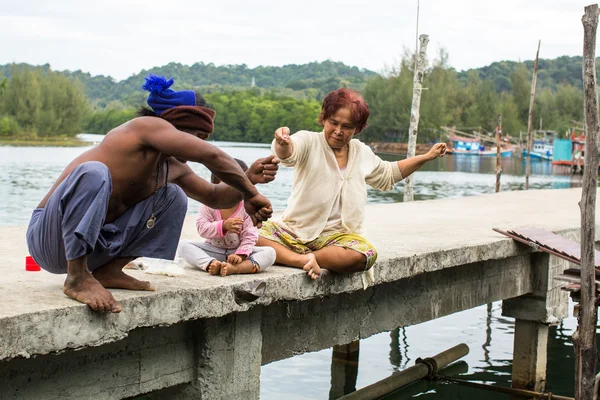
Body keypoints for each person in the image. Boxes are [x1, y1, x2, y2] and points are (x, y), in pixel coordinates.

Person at [26, 75, 278, 313]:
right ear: (178, 127)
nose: (197, 146)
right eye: (199, 137)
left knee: (173, 196)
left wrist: (248, 179)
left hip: (97, 249)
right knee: (94, 173)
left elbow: (214, 196)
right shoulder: (144, 127)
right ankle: (77, 277)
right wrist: (250, 193)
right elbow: (211, 155)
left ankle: (109, 270)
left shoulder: (172, 167)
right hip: (50, 239)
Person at [257, 88, 446, 279]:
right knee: (246, 232)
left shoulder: (361, 152)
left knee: (365, 255)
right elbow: (289, 152)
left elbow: (389, 174)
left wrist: (426, 157)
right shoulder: (309, 140)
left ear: (357, 128)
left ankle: (305, 257)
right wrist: (282, 143)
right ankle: (298, 259)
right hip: (293, 230)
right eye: (334, 123)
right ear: (324, 118)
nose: (338, 131)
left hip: (337, 238)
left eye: (347, 127)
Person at [177, 158, 276, 276]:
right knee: (183, 246)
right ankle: (211, 264)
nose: (233, 190)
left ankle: (235, 268)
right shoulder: (209, 205)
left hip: (238, 252)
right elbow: (202, 229)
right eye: (228, 185)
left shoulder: (247, 207)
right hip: (213, 250)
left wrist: (240, 254)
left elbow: (250, 235)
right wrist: (223, 226)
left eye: (238, 185)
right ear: (216, 185)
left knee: (270, 253)